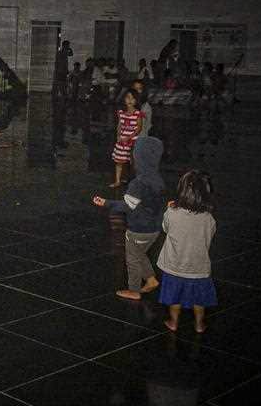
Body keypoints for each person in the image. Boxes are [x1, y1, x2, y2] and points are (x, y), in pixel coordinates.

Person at [93, 136, 165, 300]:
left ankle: (134, 290)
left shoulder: (138, 184)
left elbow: (127, 206)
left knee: (132, 258)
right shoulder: (157, 179)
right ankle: (151, 279)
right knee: (139, 253)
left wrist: (107, 203)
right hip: (154, 228)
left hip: (139, 228)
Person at [158, 170, 217, 333]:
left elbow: (165, 228)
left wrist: (169, 209)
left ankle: (173, 322)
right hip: (198, 268)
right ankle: (199, 325)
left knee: (174, 298)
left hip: (174, 266)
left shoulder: (172, 212)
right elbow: (210, 236)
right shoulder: (208, 218)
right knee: (199, 299)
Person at [111, 89, 143, 188]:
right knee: (119, 161)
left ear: (136, 100)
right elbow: (119, 125)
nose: (130, 100)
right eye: (128, 97)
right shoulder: (121, 112)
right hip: (122, 140)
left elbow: (139, 128)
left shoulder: (138, 113)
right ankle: (117, 181)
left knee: (133, 162)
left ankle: (135, 182)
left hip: (133, 141)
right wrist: (118, 136)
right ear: (124, 99)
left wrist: (130, 137)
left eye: (133, 98)